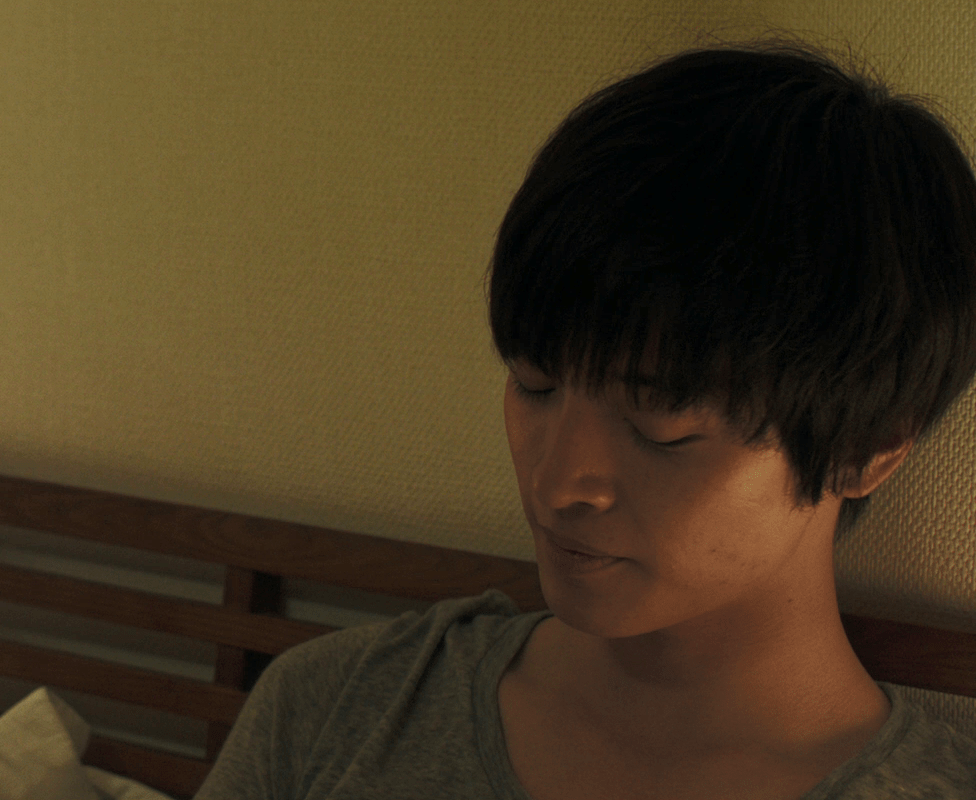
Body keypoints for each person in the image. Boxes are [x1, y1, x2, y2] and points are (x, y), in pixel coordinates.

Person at [197, 43, 976, 799]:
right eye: (534, 384)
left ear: (864, 447)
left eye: (660, 425)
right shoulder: (338, 705)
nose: (555, 482)